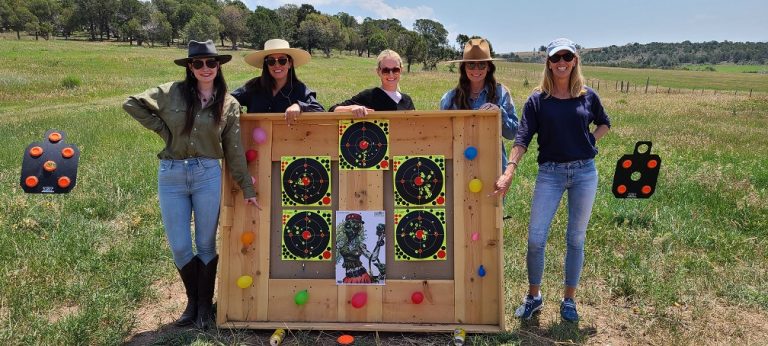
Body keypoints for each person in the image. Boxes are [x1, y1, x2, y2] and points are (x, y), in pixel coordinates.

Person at [123, 40, 260, 329]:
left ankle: (203, 308)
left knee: (206, 243)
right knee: (180, 246)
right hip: (171, 174)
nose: (205, 68)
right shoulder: (172, 93)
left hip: (208, 174)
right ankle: (191, 302)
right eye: (198, 63)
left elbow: (234, 149)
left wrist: (247, 188)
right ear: (190, 66)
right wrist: (163, 130)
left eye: (211, 63)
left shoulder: (229, 104)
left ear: (219, 65)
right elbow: (131, 103)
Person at [492, 38, 611, 322]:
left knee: (575, 239)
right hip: (550, 173)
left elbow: (604, 122)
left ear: (574, 61)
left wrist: (590, 142)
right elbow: (522, 137)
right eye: (555, 58)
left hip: (584, 173)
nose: (561, 63)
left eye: (566, 57)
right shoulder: (538, 100)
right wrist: (510, 169)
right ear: (548, 63)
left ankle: (569, 299)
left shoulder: (587, 96)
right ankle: (534, 296)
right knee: (535, 239)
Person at [440, 38, 518, 169]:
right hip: (459, 166)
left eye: (481, 64)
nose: (476, 69)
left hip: (493, 165)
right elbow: (442, 135)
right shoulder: (450, 98)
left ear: (488, 67)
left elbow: (512, 133)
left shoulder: (501, 93)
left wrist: (499, 112)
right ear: (464, 68)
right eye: (471, 64)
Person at [232, 38, 324, 124]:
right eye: (271, 61)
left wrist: (299, 106)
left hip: (288, 140)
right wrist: (236, 110)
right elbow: (229, 99)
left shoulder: (299, 89)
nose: (277, 65)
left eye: (282, 60)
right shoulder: (254, 86)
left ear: (290, 63)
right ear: (266, 65)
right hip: (255, 140)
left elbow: (319, 109)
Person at [329, 49, 415, 117]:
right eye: (386, 70)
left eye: (395, 70)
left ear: (401, 70)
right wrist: (352, 108)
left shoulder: (407, 101)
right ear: (378, 72)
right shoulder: (369, 96)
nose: (391, 74)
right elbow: (332, 110)